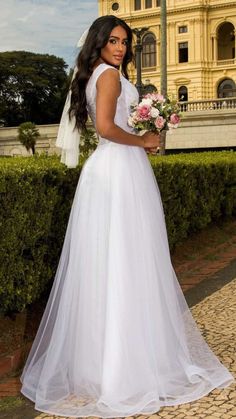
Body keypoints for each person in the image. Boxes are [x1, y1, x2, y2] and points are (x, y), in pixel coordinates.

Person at [20, 15, 234, 418]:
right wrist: (144, 139)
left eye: (125, 42)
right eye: (113, 40)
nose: (120, 47)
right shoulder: (110, 77)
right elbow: (104, 127)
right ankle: (123, 370)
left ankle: (101, 364)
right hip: (118, 171)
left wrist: (143, 135)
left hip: (112, 170)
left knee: (110, 263)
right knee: (125, 260)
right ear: (99, 42)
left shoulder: (99, 73)